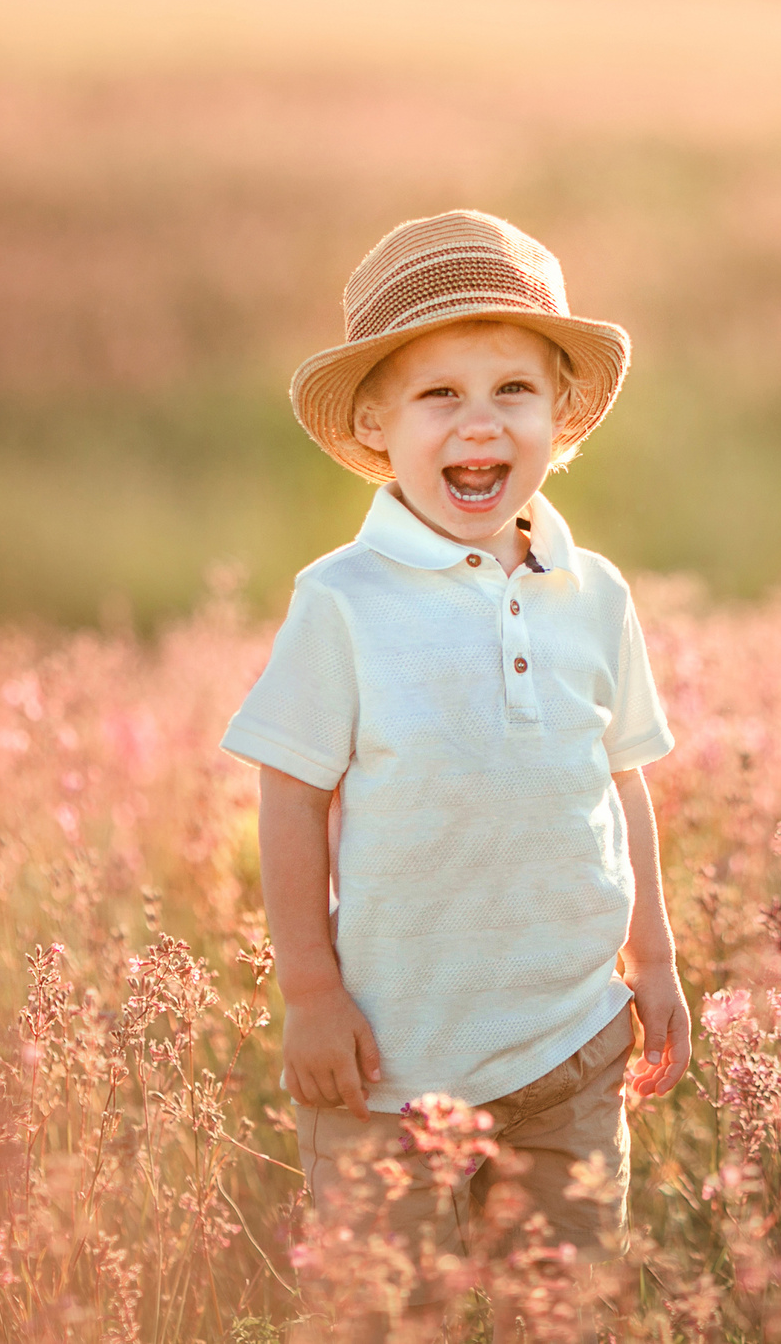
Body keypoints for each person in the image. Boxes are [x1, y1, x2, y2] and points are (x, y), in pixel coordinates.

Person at [220, 209, 689, 1327]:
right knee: (384, 1317)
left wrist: (655, 959)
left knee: (561, 1314)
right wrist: (311, 993)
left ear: (560, 418)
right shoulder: (343, 599)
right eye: (439, 395)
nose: (479, 423)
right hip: (389, 1061)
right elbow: (290, 795)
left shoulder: (595, 592)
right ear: (376, 422)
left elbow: (621, 781)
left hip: (571, 1047)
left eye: (512, 391)